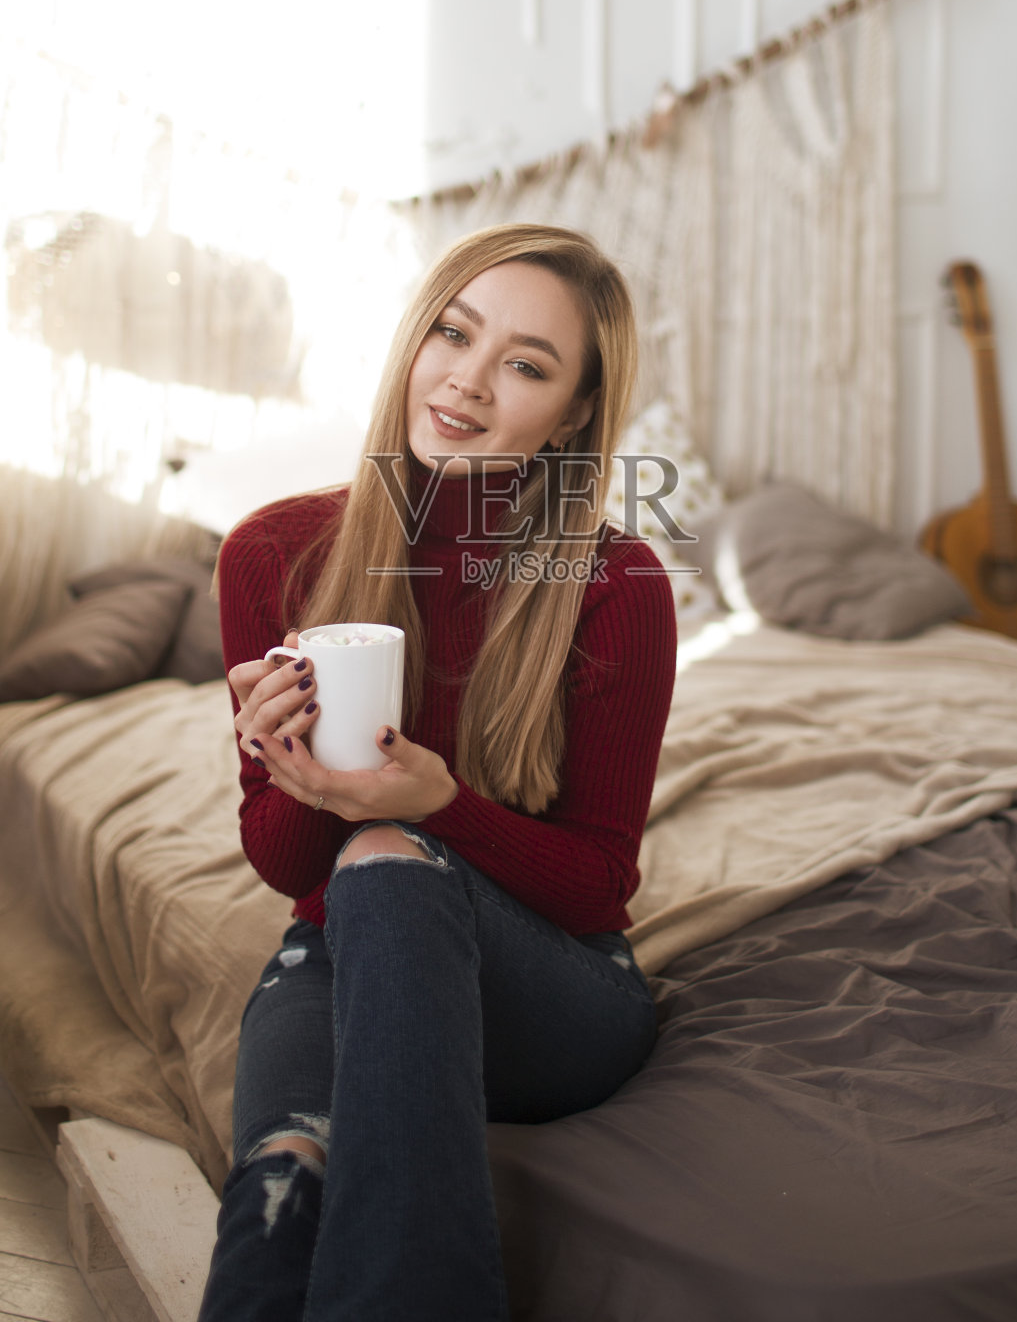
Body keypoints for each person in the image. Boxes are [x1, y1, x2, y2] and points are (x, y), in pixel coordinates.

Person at [197, 223, 677, 1322]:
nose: (466, 379)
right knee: (281, 1179)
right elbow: (286, 871)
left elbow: (599, 885)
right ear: (415, 340)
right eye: (453, 333)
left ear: (574, 414)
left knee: (388, 852)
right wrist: (288, 768)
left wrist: (438, 811)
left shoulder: (615, 581)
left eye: (524, 363)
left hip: (555, 984)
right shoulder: (272, 552)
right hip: (335, 946)